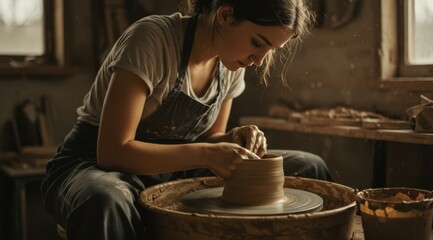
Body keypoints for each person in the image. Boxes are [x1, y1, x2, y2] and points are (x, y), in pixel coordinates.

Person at [41, 0, 332, 239]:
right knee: (105, 200)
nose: (258, 59)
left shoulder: (232, 62)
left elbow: (209, 139)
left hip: (173, 167)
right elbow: (113, 153)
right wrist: (208, 153)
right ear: (225, 15)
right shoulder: (153, 39)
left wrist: (233, 140)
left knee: (309, 167)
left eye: (269, 50)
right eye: (258, 42)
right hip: (92, 164)